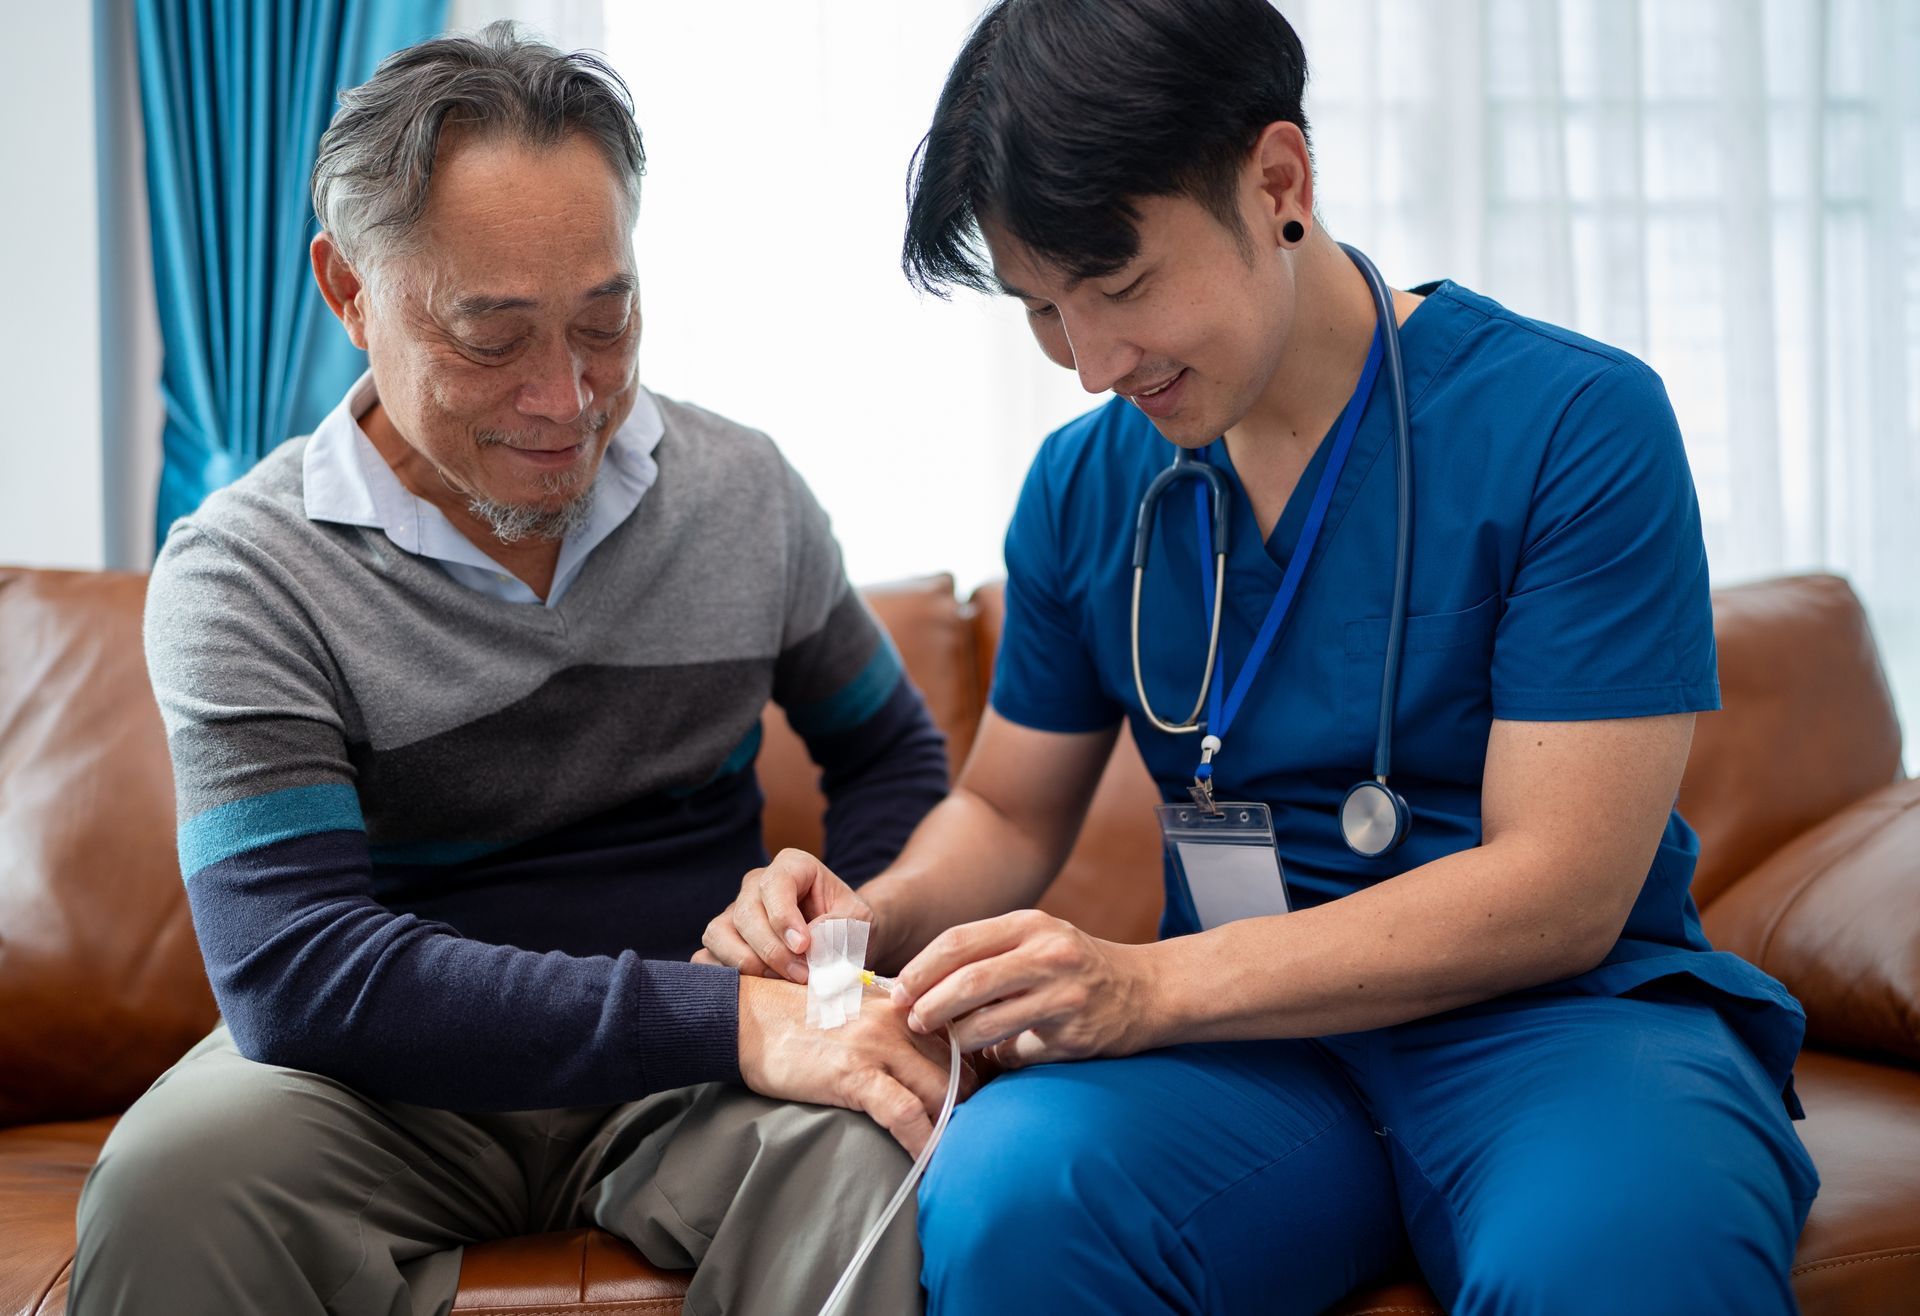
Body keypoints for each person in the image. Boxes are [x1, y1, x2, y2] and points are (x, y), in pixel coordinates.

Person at [702, 1, 1820, 1311]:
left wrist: (1147, 984)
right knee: (1014, 1197)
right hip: (1247, 1060)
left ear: (1278, 180)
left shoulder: (1576, 423)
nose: (1089, 364)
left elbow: (1562, 887)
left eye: (1119, 287)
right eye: (1043, 310)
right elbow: (1008, 807)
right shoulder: (1085, 489)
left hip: (1562, 1026)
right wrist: (867, 916)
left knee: (1621, 1257)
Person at [72, 22, 958, 1316]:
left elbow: (889, 754)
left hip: (694, 1080)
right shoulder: (244, 572)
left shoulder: (741, 495)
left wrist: (835, 953)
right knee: (171, 1182)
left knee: (878, 1136)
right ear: (346, 291)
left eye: (606, 321)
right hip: (384, 1088)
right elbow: (297, 970)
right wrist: (730, 1022)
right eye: (493, 339)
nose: (569, 398)